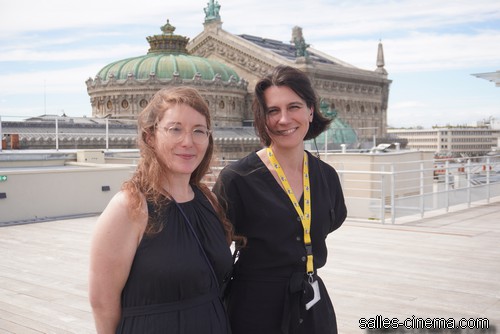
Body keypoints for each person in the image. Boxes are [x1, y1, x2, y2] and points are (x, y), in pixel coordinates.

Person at [89, 86, 236, 334]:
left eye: (198, 131)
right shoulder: (129, 207)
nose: (188, 142)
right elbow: (102, 303)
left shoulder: (207, 200)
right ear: (150, 137)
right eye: (175, 129)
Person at [213, 65, 347, 334]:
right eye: (273, 111)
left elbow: (330, 222)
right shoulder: (237, 178)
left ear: (310, 110)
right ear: (262, 118)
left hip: (312, 306)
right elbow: (213, 247)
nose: (284, 119)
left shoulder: (326, 176)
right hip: (255, 311)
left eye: (294, 107)